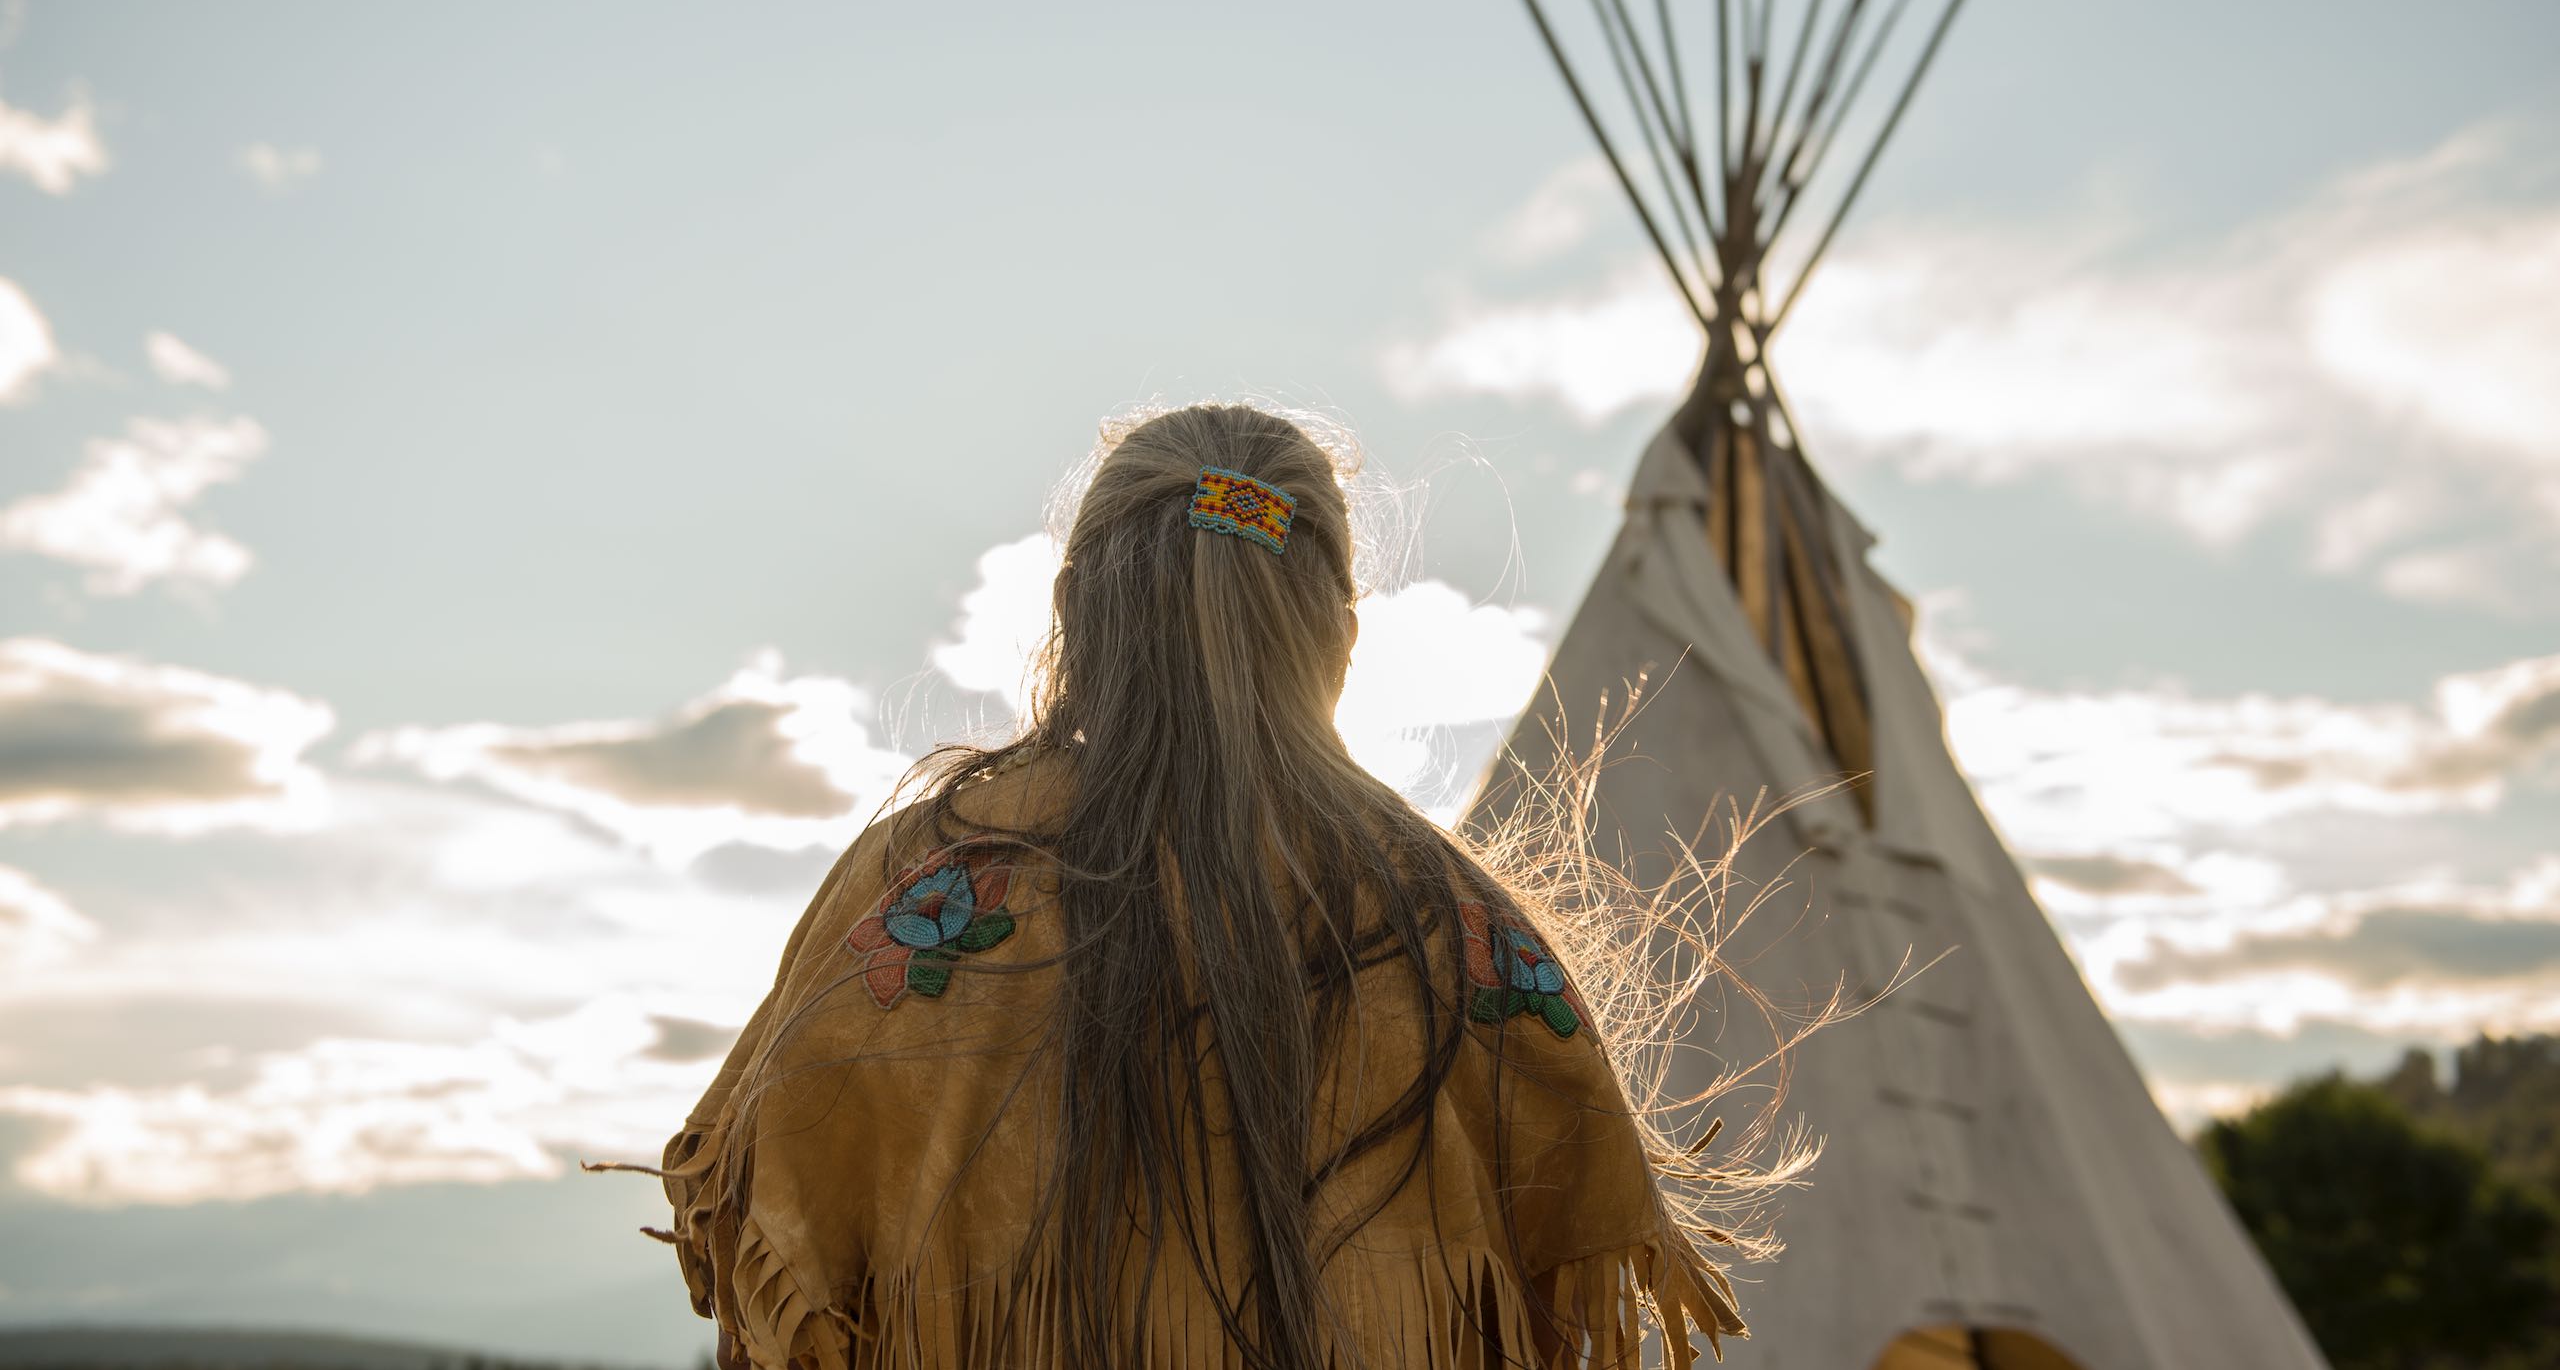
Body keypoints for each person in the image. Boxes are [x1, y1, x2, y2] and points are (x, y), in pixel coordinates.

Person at [637, 403, 1754, 1369]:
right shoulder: (1455, 929)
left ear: (1073, 610)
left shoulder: (921, 889)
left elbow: (769, 1271)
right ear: (1342, 641)